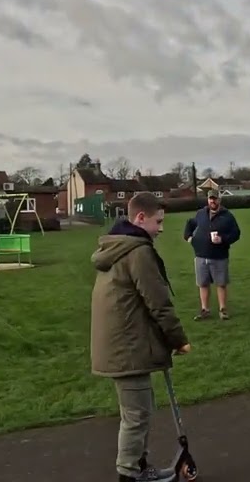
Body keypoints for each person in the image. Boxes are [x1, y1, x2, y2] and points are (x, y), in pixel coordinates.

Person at [90, 192, 191, 482]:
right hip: (127, 346)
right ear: (141, 218)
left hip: (125, 343)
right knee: (136, 416)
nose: (161, 228)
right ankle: (129, 475)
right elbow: (158, 303)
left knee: (139, 411)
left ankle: (140, 467)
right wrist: (178, 340)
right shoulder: (138, 251)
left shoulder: (118, 246)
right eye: (158, 222)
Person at [182, 189, 240, 320]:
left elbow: (236, 234)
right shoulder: (201, 213)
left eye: (214, 198)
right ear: (208, 200)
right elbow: (190, 223)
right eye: (210, 199)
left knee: (221, 283)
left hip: (219, 255)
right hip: (201, 255)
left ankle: (223, 310)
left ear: (219, 199)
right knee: (203, 284)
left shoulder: (227, 216)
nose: (212, 201)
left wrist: (223, 239)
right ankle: (205, 310)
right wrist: (189, 237)